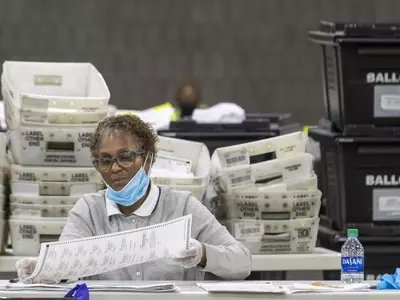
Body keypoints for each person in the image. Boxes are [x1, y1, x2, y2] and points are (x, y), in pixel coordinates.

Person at [16, 114, 252, 282]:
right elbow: (66, 265)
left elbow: (242, 263)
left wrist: (202, 253)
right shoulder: (89, 210)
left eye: (126, 157)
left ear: (148, 159)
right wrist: (44, 269)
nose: (115, 168)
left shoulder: (182, 206)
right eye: (105, 160)